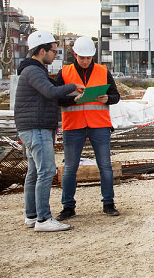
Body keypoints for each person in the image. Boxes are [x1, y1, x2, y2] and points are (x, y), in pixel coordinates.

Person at [14, 30, 81, 232]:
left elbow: (50, 96)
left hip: (33, 127)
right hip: (37, 128)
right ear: (41, 50)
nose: (55, 55)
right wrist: (73, 86)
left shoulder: (35, 70)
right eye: (53, 51)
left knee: (34, 172)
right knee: (46, 171)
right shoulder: (33, 71)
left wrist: (71, 99)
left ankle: (32, 215)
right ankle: (43, 219)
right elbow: (51, 91)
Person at [54, 36, 121, 219]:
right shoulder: (65, 72)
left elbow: (115, 95)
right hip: (73, 125)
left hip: (99, 124)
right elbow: (56, 98)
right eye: (82, 57)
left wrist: (108, 99)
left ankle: (109, 203)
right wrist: (72, 99)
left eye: (88, 58)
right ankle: (68, 206)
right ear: (75, 54)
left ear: (93, 56)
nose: (85, 61)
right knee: (70, 168)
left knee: (105, 166)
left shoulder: (102, 71)